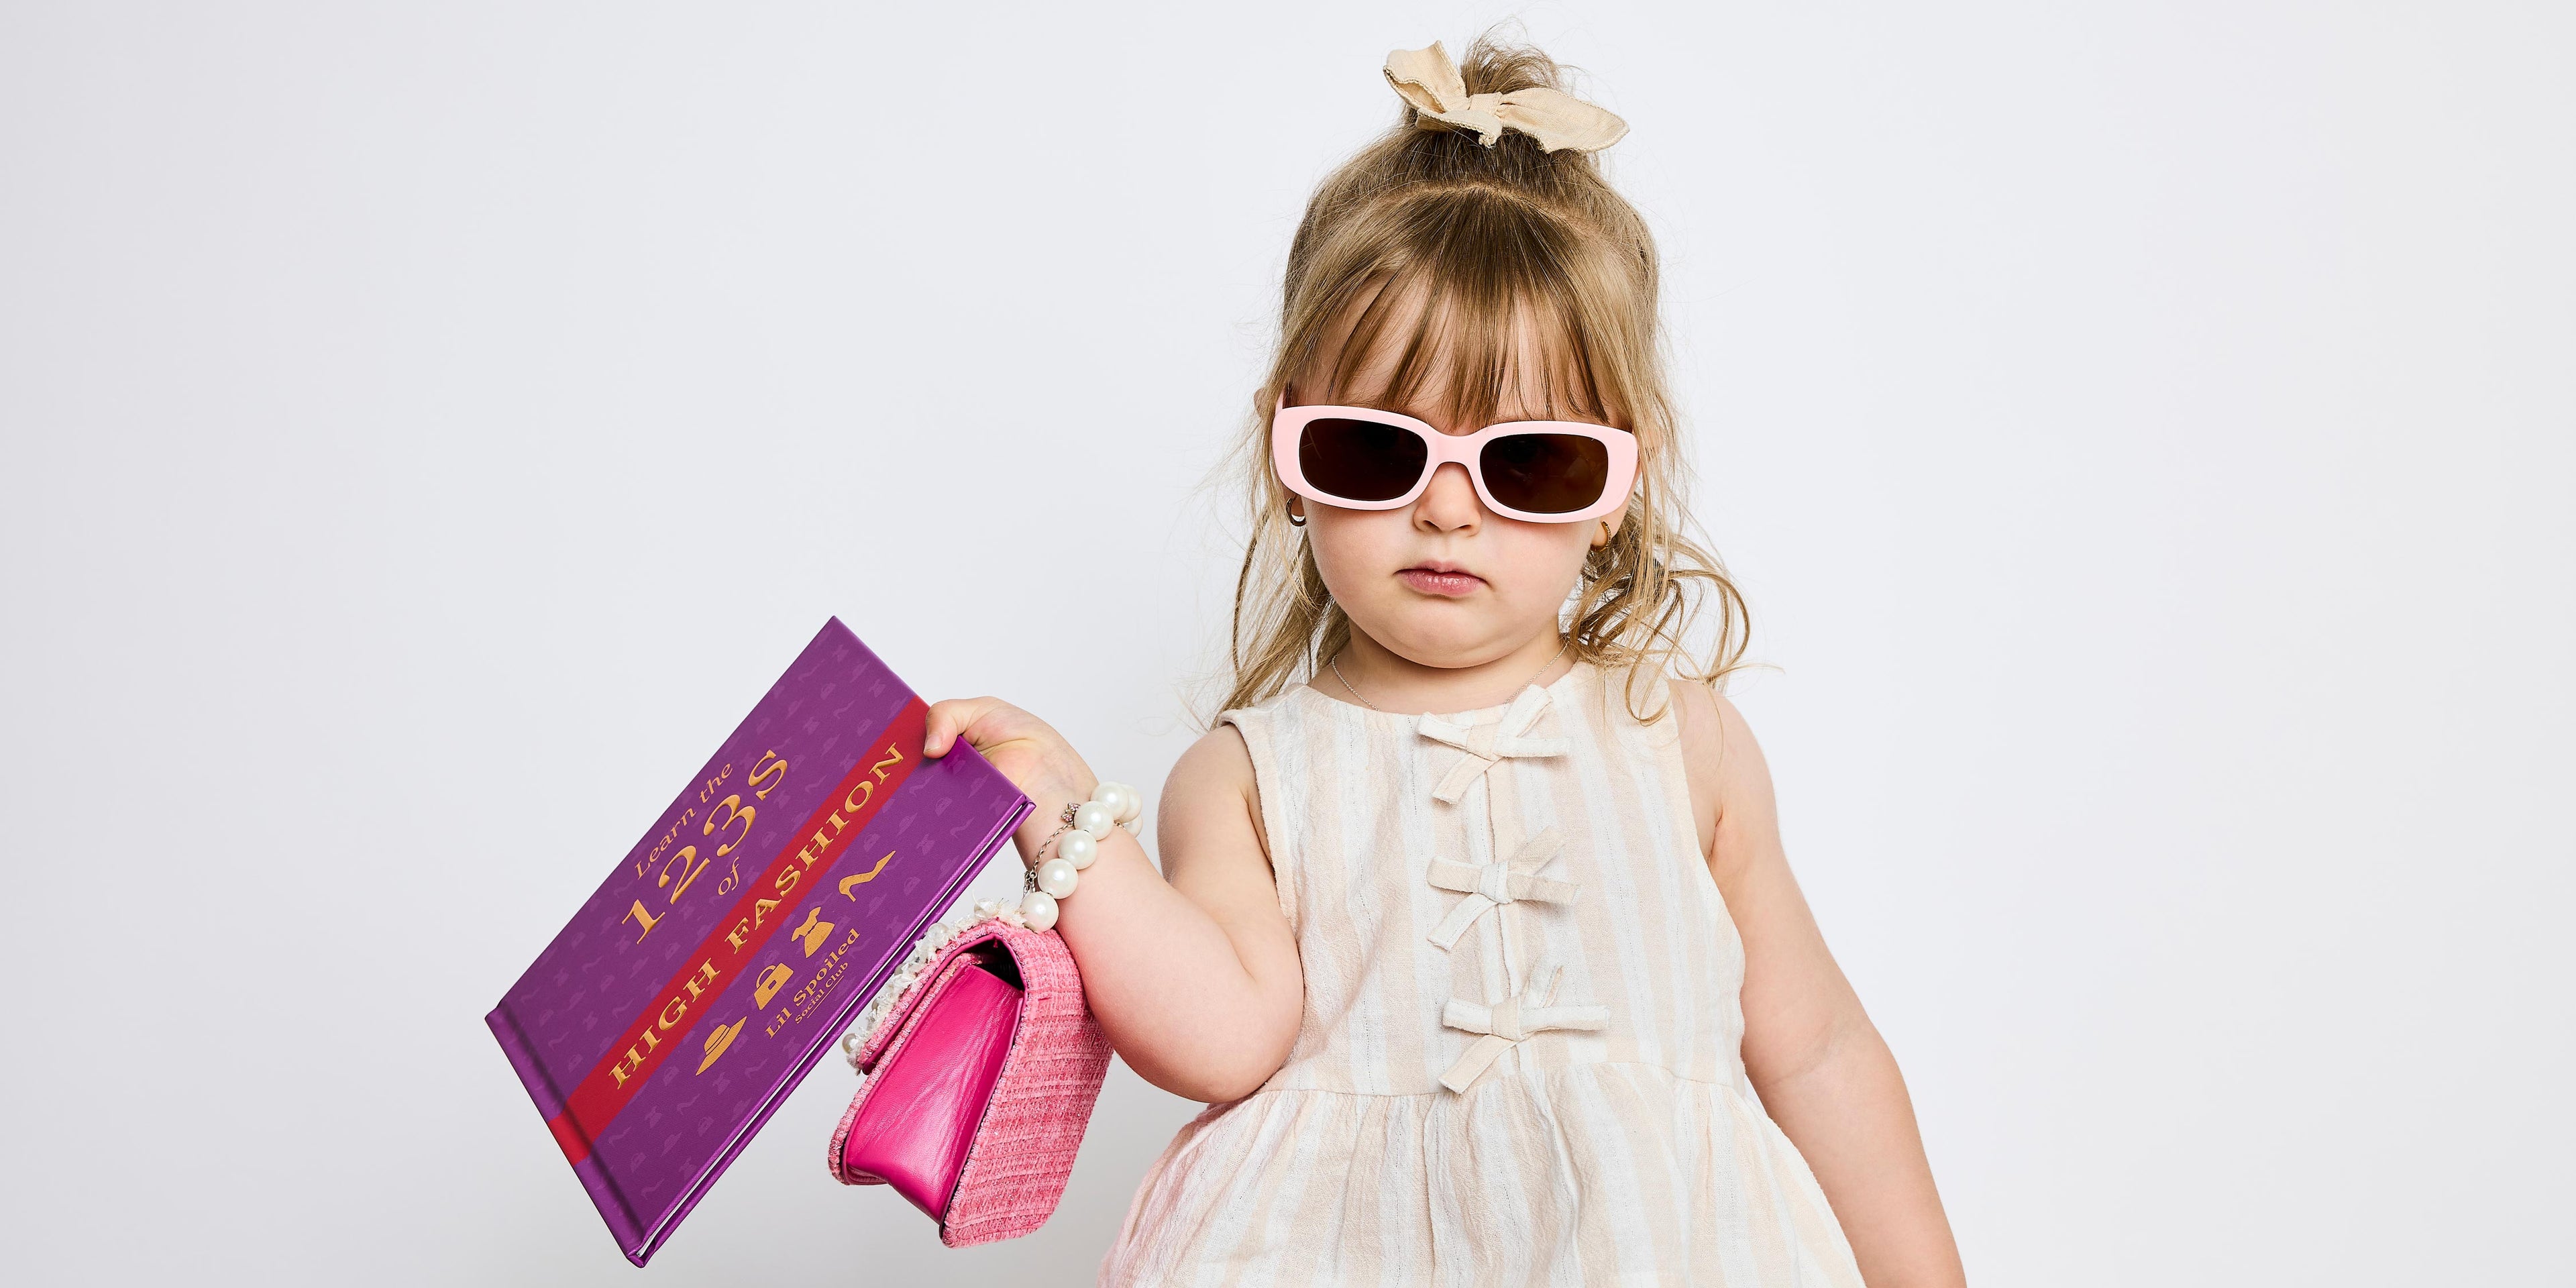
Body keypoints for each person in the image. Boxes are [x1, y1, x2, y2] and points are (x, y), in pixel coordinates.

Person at [922, 33, 1966, 1287]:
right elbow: (1219, 1038)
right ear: (1287, 452)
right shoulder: (1250, 773)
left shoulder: (1678, 737)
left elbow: (1814, 1051)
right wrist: (1060, 813)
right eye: (1376, 451)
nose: (1449, 511)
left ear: (1619, 485)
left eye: (1529, 462)